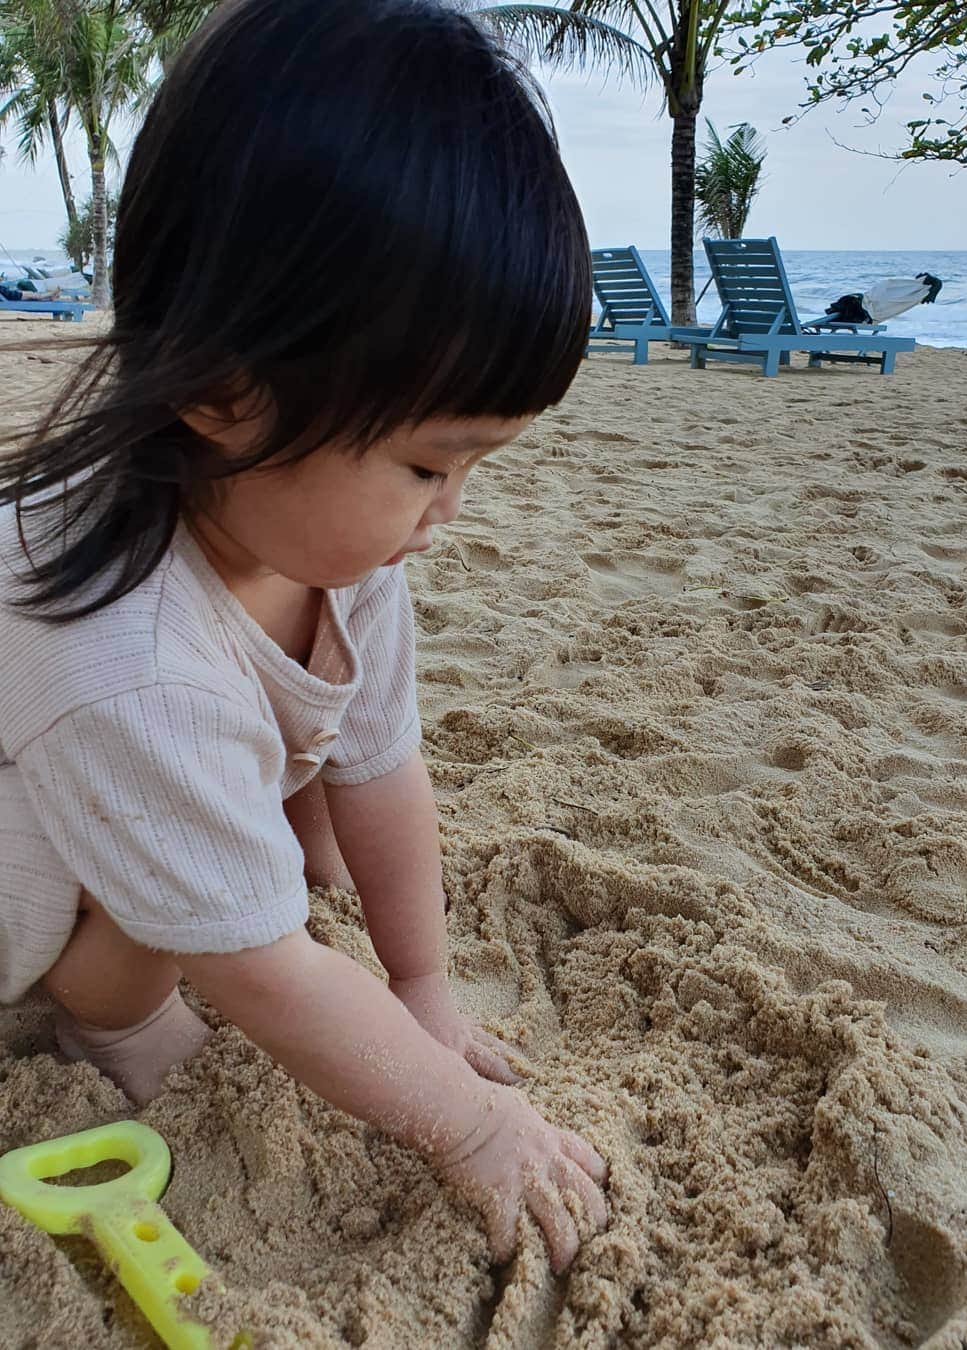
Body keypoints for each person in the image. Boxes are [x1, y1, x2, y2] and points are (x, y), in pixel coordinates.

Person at [0, 0, 607, 1275]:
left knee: (323, 799)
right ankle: (102, 1015)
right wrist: (471, 1125)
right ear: (228, 394)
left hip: (171, 747)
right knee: (192, 924)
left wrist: (421, 984)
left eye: (472, 467)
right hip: (34, 862)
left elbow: (384, 760)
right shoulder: (129, 656)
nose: (446, 515)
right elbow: (261, 968)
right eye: (427, 464)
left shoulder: (337, 531)